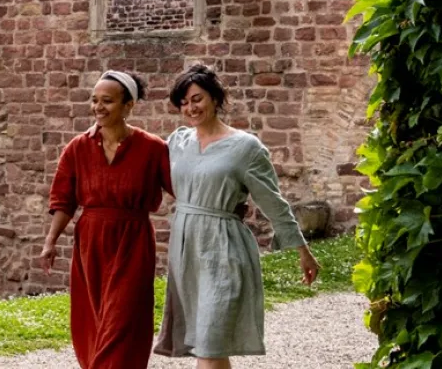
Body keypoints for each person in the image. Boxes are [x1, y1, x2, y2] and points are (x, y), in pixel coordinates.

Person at [154, 64, 320, 369]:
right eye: (184, 102)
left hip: (224, 249)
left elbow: (273, 201)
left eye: (197, 99)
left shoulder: (245, 148)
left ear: (216, 99)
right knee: (203, 340)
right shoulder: (177, 142)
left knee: (211, 341)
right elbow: (141, 166)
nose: (190, 108)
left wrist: (303, 251)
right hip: (186, 250)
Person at [39, 70, 173, 369]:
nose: (98, 107)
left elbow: (184, 190)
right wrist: (50, 243)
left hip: (133, 240)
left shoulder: (154, 148)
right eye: (94, 100)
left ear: (129, 106)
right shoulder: (78, 147)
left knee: (123, 320)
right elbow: (63, 200)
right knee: (94, 319)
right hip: (90, 241)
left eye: (108, 101)